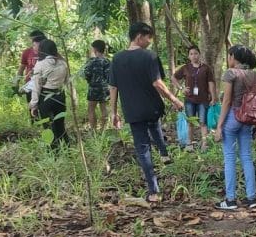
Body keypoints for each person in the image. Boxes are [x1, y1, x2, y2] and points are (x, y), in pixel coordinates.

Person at [110, 22, 184, 204]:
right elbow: (158, 83)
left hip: (132, 110)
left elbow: (113, 86)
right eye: (148, 37)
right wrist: (174, 99)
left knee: (142, 148)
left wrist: (113, 112)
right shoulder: (149, 56)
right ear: (139, 36)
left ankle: (153, 190)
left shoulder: (117, 59)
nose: (150, 41)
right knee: (154, 126)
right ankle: (164, 153)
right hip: (151, 106)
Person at [213, 45, 256, 211]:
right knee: (247, 157)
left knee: (229, 157)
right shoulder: (254, 75)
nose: (228, 59)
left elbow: (226, 101)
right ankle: (251, 198)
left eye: (229, 56)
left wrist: (219, 126)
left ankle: (231, 199)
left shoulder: (230, 73)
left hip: (233, 117)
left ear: (233, 56)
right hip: (248, 118)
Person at [172, 46, 216, 151]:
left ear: (199, 54)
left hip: (203, 99)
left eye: (196, 53)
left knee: (202, 122)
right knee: (190, 122)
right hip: (190, 100)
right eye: (191, 54)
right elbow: (173, 78)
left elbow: (211, 83)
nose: (194, 56)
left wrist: (214, 97)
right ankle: (189, 144)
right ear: (188, 56)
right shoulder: (185, 67)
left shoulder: (206, 68)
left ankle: (204, 144)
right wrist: (181, 88)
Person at [30, 39, 70, 150]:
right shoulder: (63, 63)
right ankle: (67, 148)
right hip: (60, 96)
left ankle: (53, 150)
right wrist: (74, 98)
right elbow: (69, 82)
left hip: (46, 96)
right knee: (60, 125)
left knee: (47, 126)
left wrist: (33, 104)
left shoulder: (40, 64)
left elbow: (36, 86)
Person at [83, 40, 111, 130]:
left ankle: (93, 131)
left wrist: (90, 81)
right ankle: (103, 130)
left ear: (95, 49)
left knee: (91, 109)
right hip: (105, 88)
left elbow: (86, 74)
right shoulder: (108, 62)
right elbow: (110, 76)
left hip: (93, 88)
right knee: (104, 108)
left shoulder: (91, 61)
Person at [16, 30, 45, 100]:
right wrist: (16, 82)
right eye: (32, 40)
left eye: (35, 40)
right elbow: (21, 68)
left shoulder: (49, 52)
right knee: (32, 108)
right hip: (30, 84)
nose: (33, 42)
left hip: (45, 84)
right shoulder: (27, 52)